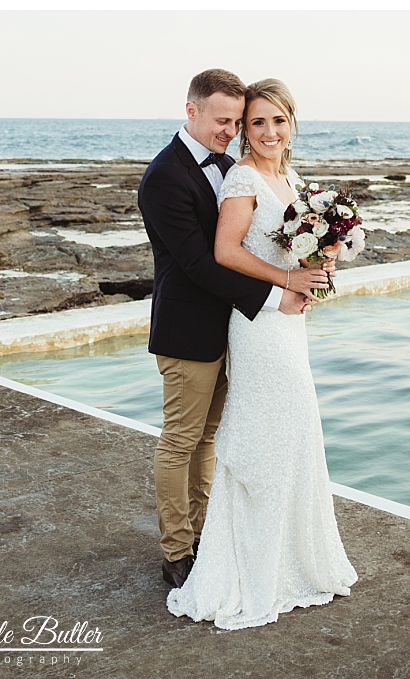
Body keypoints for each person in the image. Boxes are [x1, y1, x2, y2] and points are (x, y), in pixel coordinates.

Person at [166, 78, 358, 630]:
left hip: (288, 325)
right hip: (258, 328)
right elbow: (225, 252)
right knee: (265, 437)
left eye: (278, 121)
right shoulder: (243, 177)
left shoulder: (291, 178)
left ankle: (291, 558)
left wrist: (321, 264)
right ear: (246, 130)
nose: (268, 131)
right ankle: (250, 568)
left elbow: (297, 245)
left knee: (294, 431)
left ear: (292, 124)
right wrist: (287, 280)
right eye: (256, 123)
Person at [137, 69, 331, 589]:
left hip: (236, 328)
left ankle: (205, 534)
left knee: (209, 438)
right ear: (191, 110)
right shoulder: (164, 177)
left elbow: (258, 238)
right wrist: (277, 293)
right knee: (181, 440)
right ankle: (176, 551)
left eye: (236, 121)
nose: (231, 130)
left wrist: (316, 257)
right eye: (223, 120)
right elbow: (202, 263)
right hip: (189, 330)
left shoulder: (227, 165)